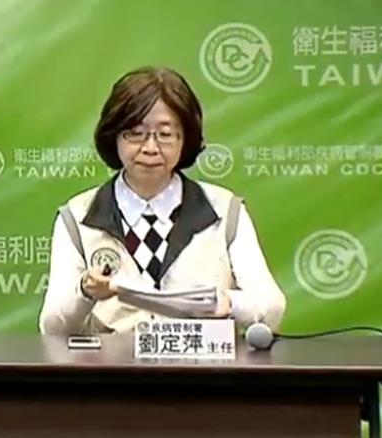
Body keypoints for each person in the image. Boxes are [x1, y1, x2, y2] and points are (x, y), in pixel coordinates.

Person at [38, 67, 285, 335]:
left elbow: (271, 309)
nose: (150, 148)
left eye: (165, 134)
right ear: (114, 136)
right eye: (135, 133)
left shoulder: (225, 210)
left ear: (185, 139)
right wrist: (85, 292)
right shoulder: (77, 217)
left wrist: (228, 302)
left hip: (200, 360)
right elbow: (53, 327)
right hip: (114, 361)